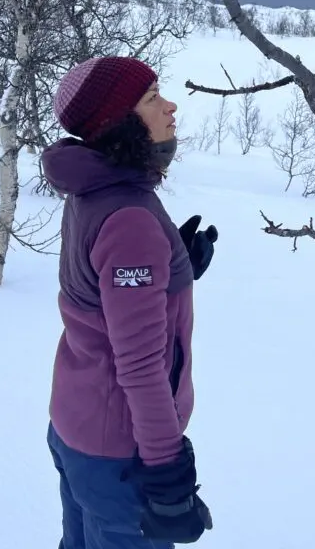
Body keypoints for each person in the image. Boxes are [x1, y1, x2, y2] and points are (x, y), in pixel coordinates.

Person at [41, 55, 217, 549]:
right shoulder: (129, 218)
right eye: (151, 98)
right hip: (121, 454)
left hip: (78, 428)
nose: (170, 106)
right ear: (118, 123)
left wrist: (173, 267)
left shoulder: (94, 188)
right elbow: (140, 364)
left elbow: (97, 292)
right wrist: (166, 471)